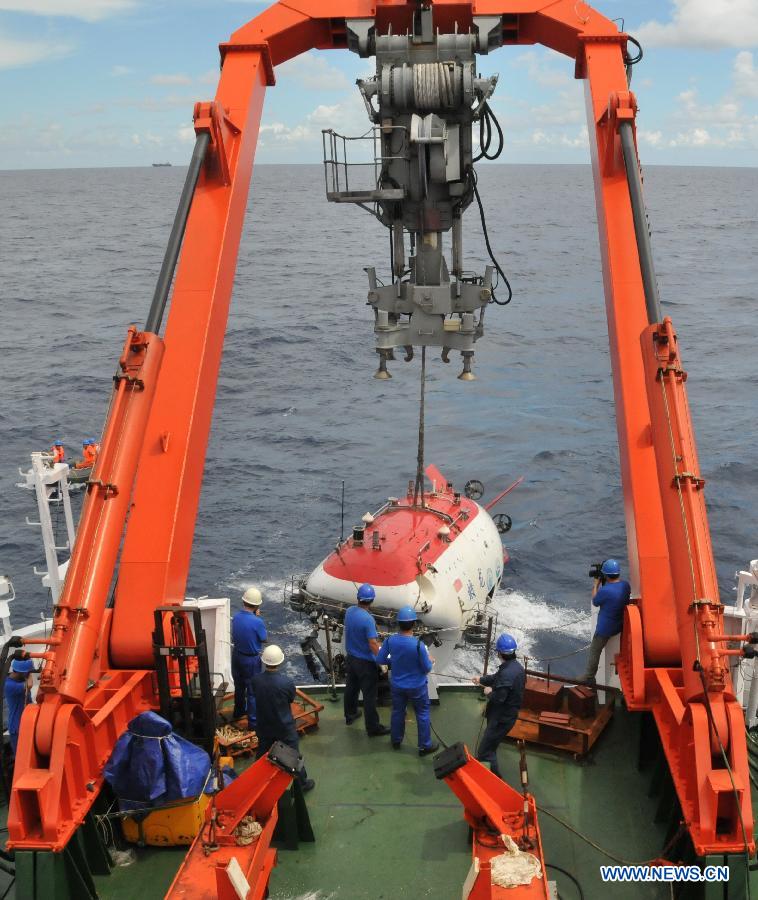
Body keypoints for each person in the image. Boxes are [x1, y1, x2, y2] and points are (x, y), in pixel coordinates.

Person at [375, 605, 439, 756]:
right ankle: (424, 746)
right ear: (414, 624)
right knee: (422, 714)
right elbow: (427, 668)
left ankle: (396, 741)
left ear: (398, 624)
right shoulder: (419, 645)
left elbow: (380, 659)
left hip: (397, 685)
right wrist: (430, 660)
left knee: (398, 712)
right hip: (417, 687)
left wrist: (395, 661)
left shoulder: (390, 641)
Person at [252, 644, 315, 792]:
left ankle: (256, 783)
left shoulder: (256, 680)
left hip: (264, 727)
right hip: (283, 727)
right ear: (280, 662)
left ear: (264, 661)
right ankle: (302, 784)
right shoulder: (286, 683)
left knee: (262, 754)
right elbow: (290, 699)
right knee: (293, 755)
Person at [472, 633, 525, 779]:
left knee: (485, 752)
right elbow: (496, 678)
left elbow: (499, 698)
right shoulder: (516, 668)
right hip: (506, 715)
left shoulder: (507, 673)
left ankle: (497, 780)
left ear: (499, 653)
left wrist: (488, 692)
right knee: (491, 746)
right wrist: (481, 679)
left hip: (500, 719)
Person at [343, 583, 390, 736]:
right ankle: (373, 728)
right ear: (371, 600)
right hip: (365, 663)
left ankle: (350, 715)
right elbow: (372, 643)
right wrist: (382, 660)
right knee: (369, 696)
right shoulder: (368, 619)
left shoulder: (349, 611)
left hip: (351, 659)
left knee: (351, 688)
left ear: (358, 598)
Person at [583, 558, 632, 685]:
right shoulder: (625, 586)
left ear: (605, 575)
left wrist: (596, 584)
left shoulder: (605, 591)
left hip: (605, 629)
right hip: (619, 625)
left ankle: (589, 677)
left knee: (595, 650)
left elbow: (595, 601)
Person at [231, 586, 268, 729]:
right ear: (257, 605)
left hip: (237, 656)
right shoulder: (257, 621)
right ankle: (253, 723)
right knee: (252, 692)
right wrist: (257, 617)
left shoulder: (236, 617)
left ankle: (238, 712)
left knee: (239, 687)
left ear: (244, 601)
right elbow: (264, 639)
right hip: (251, 660)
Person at [5, 656, 34, 757]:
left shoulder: (19, 681)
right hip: (17, 728)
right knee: (21, 759)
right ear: (23, 673)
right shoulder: (9, 685)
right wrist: (30, 673)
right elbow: (30, 684)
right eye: (28, 672)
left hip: (26, 725)